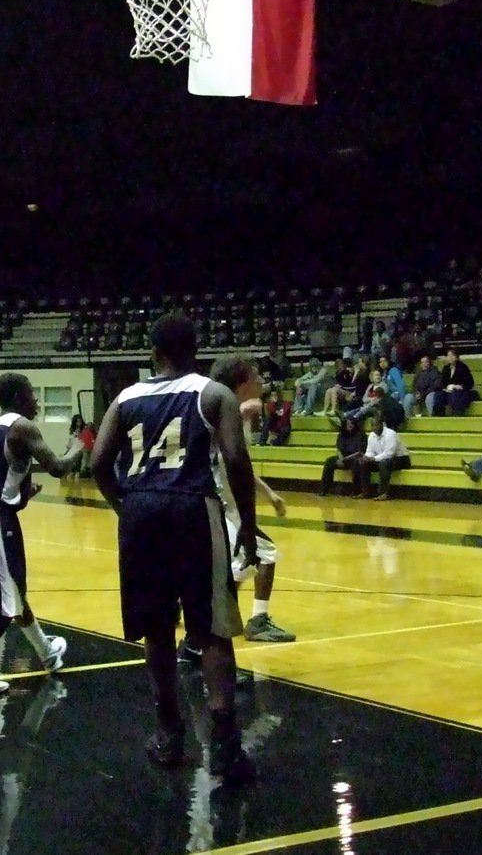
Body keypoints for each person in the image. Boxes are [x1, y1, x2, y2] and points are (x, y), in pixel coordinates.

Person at [90, 313, 257, 784]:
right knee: (212, 629)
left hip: (141, 510)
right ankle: (224, 747)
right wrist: (247, 521)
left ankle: (168, 735)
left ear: (153, 352)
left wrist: (124, 505)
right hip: (191, 507)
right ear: (195, 349)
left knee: (157, 630)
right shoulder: (213, 394)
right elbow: (236, 458)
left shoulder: (125, 398)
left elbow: (99, 463)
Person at [0, 372, 79, 694]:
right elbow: (59, 468)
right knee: (5, 603)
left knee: (14, 592)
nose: (36, 400)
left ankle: (47, 654)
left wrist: (23, 495)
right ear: (20, 398)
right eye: (32, 394)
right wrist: (83, 445)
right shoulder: (21, 426)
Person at [205, 356, 295, 642]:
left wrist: (268, 494)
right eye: (256, 376)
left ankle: (200, 610)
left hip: (222, 501)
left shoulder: (225, 409)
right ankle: (252, 620)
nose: (262, 382)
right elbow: (228, 463)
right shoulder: (228, 412)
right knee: (262, 553)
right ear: (242, 384)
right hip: (219, 503)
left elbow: (237, 465)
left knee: (243, 562)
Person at [353, 414, 411, 501]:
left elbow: (389, 454)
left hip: (401, 459)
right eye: (372, 425)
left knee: (384, 463)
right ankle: (366, 491)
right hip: (380, 458)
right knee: (362, 463)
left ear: (382, 424)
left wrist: (373, 459)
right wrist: (366, 458)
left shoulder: (391, 434)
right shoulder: (371, 436)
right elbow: (370, 451)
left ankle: (384, 493)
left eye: (376, 425)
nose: (373, 428)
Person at [320, 415, 366, 496]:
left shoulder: (361, 435)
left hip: (354, 457)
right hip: (343, 457)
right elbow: (339, 449)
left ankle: (356, 491)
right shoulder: (342, 435)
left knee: (357, 464)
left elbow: (360, 452)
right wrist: (341, 458)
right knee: (329, 461)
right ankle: (325, 489)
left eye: (352, 423)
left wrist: (344, 459)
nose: (350, 425)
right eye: (348, 424)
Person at [429, 349, 477, 416]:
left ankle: (457, 413)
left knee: (455, 395)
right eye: (448, 356)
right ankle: (439, 415)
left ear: (456, 357)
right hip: (448, 390)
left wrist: (459, 386)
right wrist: (446, 387)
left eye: (452, 356)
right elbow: (443, 382)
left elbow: (469, 382)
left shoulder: (463, 367)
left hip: (459, 391)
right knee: (438, 395)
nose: (450, 358)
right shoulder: (446, 368)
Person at [404, 354, 441, 419]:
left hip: (430, 393)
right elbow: (414, 386)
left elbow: (435, 386)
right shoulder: (418, 374)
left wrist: (423, 394)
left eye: (425, 362)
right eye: (422, 362)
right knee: (408, 397)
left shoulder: (435, 372)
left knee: (430, 397)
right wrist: (416, 393)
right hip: (419, 395)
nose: (423, 364)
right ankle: (408, 419)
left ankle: (432, 419)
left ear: (429, 363)